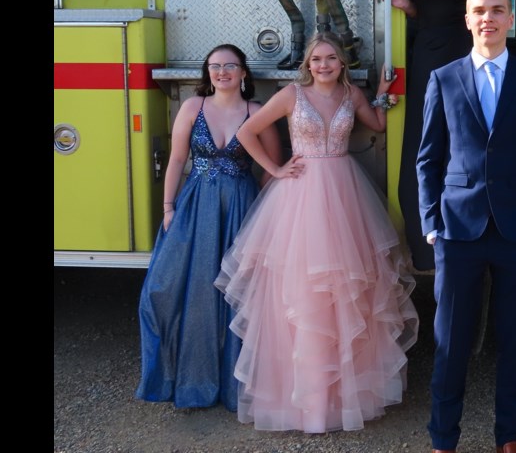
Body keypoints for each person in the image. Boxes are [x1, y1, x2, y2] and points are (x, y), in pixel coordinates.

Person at [214, 32, 419, 433]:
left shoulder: (351, 95)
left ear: (341, 63)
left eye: (329, 59)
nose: (322, 65)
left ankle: (343, 400)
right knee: (304, 296)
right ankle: (305, 405)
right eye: (315, 60)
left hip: (345, 194)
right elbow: (245, 132)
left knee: (347, 294)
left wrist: (380, 92)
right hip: (301, 196)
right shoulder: (292, 95)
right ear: (306, 65)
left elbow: (376, 123)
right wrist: (274, 170)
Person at [417, 0, 516, 453]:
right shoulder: (444, 77)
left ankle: (509, 435)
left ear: (510, 19)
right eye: (479, 11)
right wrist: (431, 222)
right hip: (458, 230)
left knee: (514, 341)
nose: (488, 19)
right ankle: (443, 438)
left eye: (497, 10)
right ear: (467, 19)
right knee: (451, 344)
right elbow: (428, 159)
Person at [137, 44, 281, 411]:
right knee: (177, 287)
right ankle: (193, 376)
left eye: (230, 66)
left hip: (241, 208)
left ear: (244, 73)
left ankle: (238, 384)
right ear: (207, 73)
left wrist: (257, 207)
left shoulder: (256, 111)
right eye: (215, 66)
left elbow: (272, 166)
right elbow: (177, 160)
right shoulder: (192, 108)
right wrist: (168, 208)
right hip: (196, 206)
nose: (222, 72)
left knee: (239, 292)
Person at [383, 0, 490, 271]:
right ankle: (425, 244)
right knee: (423, 144)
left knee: (462, 141)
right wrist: (404, 4)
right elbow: (422, 12)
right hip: (426, 55)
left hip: (464, 52)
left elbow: (484, 8)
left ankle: (467, 232)